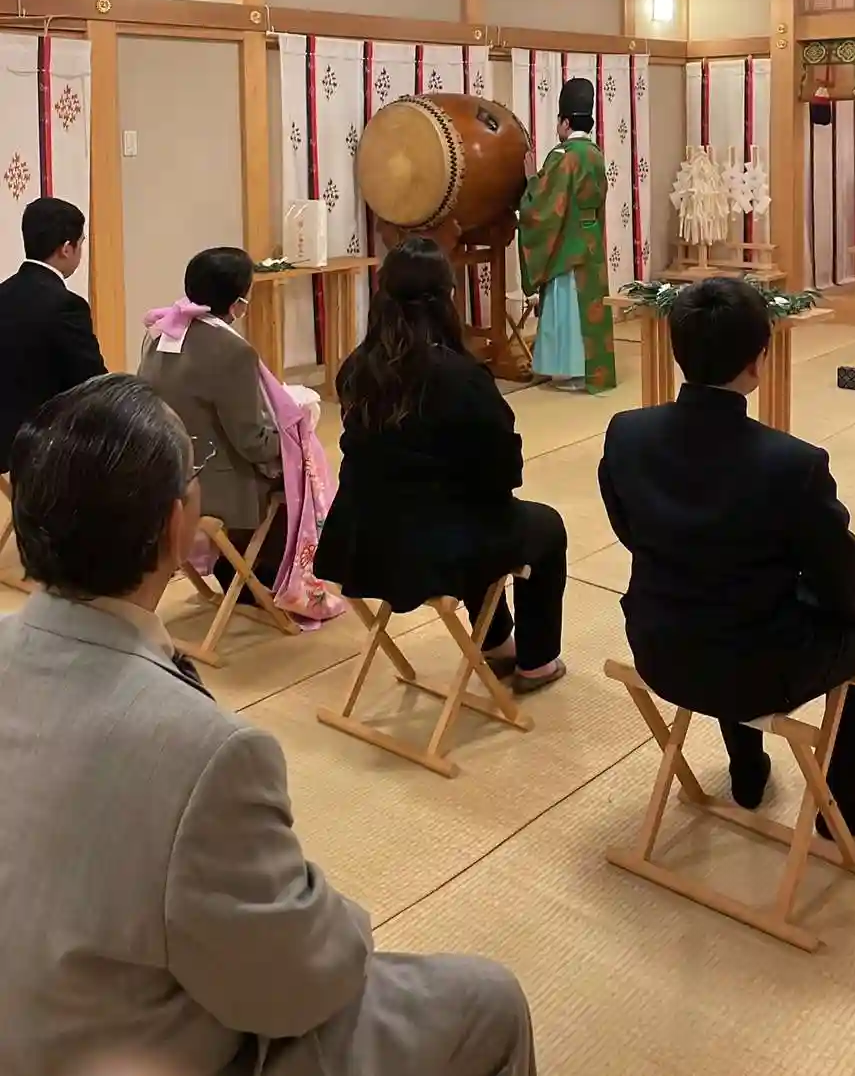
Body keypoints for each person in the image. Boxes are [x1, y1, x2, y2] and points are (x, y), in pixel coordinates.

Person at [0, 375, 536, 1076]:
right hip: (140, 1051)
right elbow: (296, 984)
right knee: (489, 1001)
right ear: (175, 524)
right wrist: (342, 919)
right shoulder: (206, 753)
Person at [599, 277, 855, 838]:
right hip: (754, 670)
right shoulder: (791, 463)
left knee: (728, 604)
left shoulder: (627, 432)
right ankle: (843, 802)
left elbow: (627, 527)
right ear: (758, 359)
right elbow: (839, 573)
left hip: (658, 646)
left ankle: (747, 767)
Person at [316, 236, 567, 693]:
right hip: (429, 549)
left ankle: (495, 643)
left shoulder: (357, 367)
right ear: (447, 298)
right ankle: (537, 662)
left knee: (471, 513)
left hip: (361, 535)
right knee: (542, 527)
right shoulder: (461, 376)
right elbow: (504, 473)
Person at [139, 246, 286, 588]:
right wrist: (295, 435)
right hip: (210, 484)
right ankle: (259, 577)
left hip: (163, 470)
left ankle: (240, 570)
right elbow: (252, 442)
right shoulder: (234, 352)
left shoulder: (161, 333)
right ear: (237, 303)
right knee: (298, 474)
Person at [518, 76, 616, 393]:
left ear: (565, 122)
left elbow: (545, 205)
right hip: (591, 239)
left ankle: (571, 372)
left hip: (568, 243)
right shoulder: (595, 154)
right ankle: (591, 371)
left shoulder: (563, 156)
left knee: (568, 306)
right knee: (587, 307)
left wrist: (531, 180)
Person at [0, 195, 105, 472]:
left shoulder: (3, 293)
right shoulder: (66, 305)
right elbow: (91, 382)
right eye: (81, 243)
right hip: (47, 450)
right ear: (67, 248)